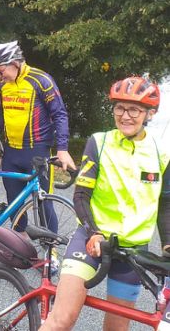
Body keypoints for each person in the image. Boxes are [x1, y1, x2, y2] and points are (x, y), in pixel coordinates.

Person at [40, 76, 170, 331]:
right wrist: (94, 232)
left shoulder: (162, 152)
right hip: (91, 240)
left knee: (117, 328)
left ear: (150, 113)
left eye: (134, 110)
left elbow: (165, 203)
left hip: (132, 249)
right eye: (119, 108)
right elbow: (81, 195)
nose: (125, 116)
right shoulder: (99, 143)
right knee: (62, 319)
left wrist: (168, 242)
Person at [0, 40, 75, 235]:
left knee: (43, 203)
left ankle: (51, 248)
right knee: (14, 203)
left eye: (1, 71)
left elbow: (60, 114)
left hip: (37, 152)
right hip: (11, 153)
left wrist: (62, 149)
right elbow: (0, 112)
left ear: (14, 63)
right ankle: (20, 242)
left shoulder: (41, 80)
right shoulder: (4, 86)